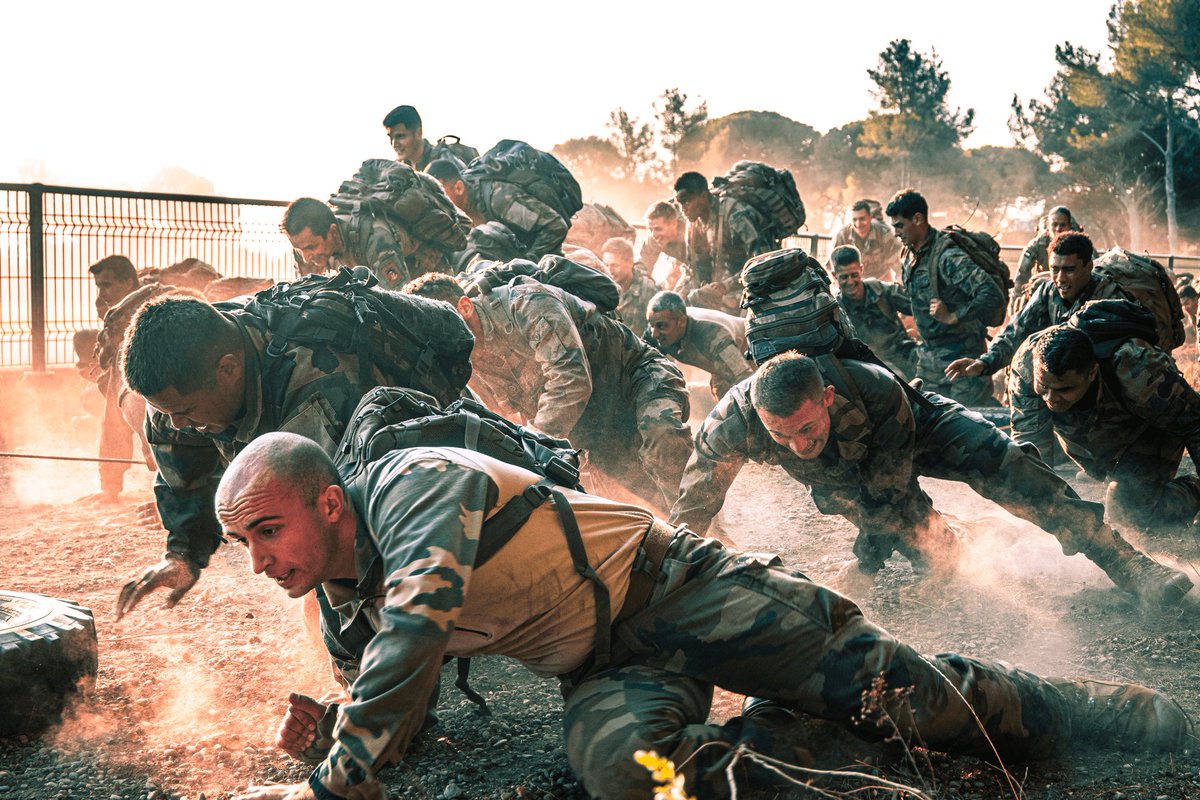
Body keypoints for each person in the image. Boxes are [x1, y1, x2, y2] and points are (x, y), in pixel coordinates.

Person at [217, 431, 1192, 800]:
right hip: (612, 661)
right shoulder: (342, 596)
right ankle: (782, 738)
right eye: (244, 546)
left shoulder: (415, 483)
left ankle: (1131, 715)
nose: (261, 562)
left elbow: (419, 627)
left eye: (269, 531)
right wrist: (335, 733)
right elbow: (397, 697)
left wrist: (334, 779)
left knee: (913, 696)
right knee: (633, 778)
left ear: (328, 500)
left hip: (686, 591)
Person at [670, 351, 1191, 606]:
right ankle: (976, 534)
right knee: (935, 551)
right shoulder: (728, 427)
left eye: (806, 428)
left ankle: (1129, 563)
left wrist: (865, 568)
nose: (797, 446)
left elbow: (890, 491)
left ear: (827, 396)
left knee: (1008, 468)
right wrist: (672, 579)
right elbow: (692, 507)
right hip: (849, 471)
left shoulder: (874, 391)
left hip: (917, 424)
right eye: (779, 438)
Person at [112, 286, 475, 620]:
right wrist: (183, 554)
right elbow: (184, 471)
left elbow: (342, 533)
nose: (175, 423)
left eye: (185, 412)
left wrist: (362, 662)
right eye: (165, 412)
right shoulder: (182, 387)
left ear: (228, 369)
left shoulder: (320, 395)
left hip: (439, 459)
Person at [404, 272, 692, 515]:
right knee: (640, 507)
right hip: (596, 427)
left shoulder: (527, 302)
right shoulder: (467, 356)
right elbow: (496, 419)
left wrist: (531, 450)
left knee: (661, 436)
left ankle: (710, 540)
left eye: (444, 326)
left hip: (635, 379)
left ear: (465, 307)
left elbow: (571, 380)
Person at [1010, 316, 1200, 534]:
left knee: (1129, 515)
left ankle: (1194, 490)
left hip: (1148, 427)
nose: (1051, 398)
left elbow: (1194, 424)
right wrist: (1038, 520)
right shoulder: (1026, 366)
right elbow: (1031, 452)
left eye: (1064, 389)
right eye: (1044, 386)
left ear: (1091, 373)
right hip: (1092, 436)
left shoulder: (1138, 367)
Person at [887, 189, 1005, 406]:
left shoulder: (947, 256)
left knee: (968, 424)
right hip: (930, 357)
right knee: (926, 420)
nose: (896, 233)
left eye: (900, 225)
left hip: (963, 358)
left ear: (918, 219)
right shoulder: (910, 254)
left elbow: (991, 294)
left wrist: (953, 316)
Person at [281, 196, 460, 290]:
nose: (305, 258)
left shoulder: (375, 237)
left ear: (333, 232)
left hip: (431, 279)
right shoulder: (323, 249)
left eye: (310, 247)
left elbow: (402, 300)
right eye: (300, 249)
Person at [674, 172, 778, 314]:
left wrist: (727, 286)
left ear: (703, 196)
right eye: (679, 203)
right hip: (722, 293)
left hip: (753, 287)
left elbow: (763, 260)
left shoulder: (735, 214)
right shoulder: (694, 224)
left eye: (687, 201)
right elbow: (697, 268)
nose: (683, 208)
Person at [428, 157, 569, 262]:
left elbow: (556, 226)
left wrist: (528, 262)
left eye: (441, 195)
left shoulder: (498, 199)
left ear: (459, 188)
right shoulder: (463, 212)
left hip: (547, 265)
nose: (437, 203)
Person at [830, 245, 918, 380]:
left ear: (861, 269)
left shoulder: (882, 290)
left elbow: (918, 306)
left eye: (854, 275)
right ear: (834, 276)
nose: (850, 282)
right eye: (844, 277)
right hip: (873, 364)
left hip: (904, 351)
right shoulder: (837, 310)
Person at [644, 290, 752, 401]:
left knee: (733, 397)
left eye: (662, 326)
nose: (654, 334)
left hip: (747, 348)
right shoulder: (656, 327)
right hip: (717, 354)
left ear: (681, 321)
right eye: (651, 325)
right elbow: (641, 366)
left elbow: (745, 379)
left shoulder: (711, 335)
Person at [1013, 206, 1083, 298]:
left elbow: (1095, 266)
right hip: (1042, 291)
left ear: (1069, 226)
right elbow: (1022, 273)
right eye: (1054, 225)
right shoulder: (1038, 244)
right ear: (1048, 226)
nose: (1058, 229)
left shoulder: (1080, 243)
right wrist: (1016, 301)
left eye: (1063, 225)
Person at [381, 105, 478, 171]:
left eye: (400, 136)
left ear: (418, 133)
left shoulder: (444, 162)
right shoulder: (398, 168)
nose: (394, 143)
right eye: (391, 138)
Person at [831, 199, 903, 281]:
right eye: (854, 220)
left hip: (881, 280)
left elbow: (899, 267)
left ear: (870, 218)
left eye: (862, 219)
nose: (858, 224)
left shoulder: (884, 233)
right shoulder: (842, 235)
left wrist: (901, 288)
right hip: (853, 281)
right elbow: (832, 267)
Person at [600, 236, 659, 329]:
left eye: (615, 265)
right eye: (606, 265)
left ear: (630, 262)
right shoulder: (601, 288)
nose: (609, 270)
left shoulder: (647, 289)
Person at [637, 201, 688, 288]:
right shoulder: (653, 239)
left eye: (658, 229)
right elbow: (643, 267)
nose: (654, 235)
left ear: (673, 224)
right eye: (650, 229)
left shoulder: (689, 233)